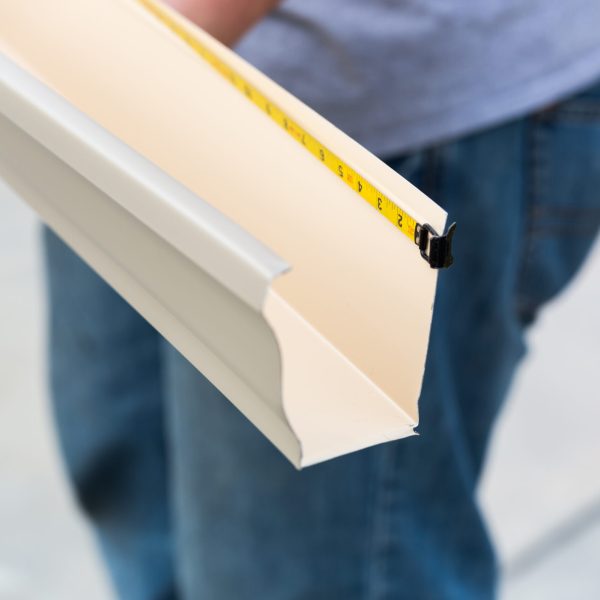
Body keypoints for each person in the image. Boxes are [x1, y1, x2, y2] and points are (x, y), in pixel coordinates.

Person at [44, 1, 600, 598]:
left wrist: (131, 48)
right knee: (135, 491)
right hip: (123, 72)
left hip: (373, 132)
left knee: (296, 576)